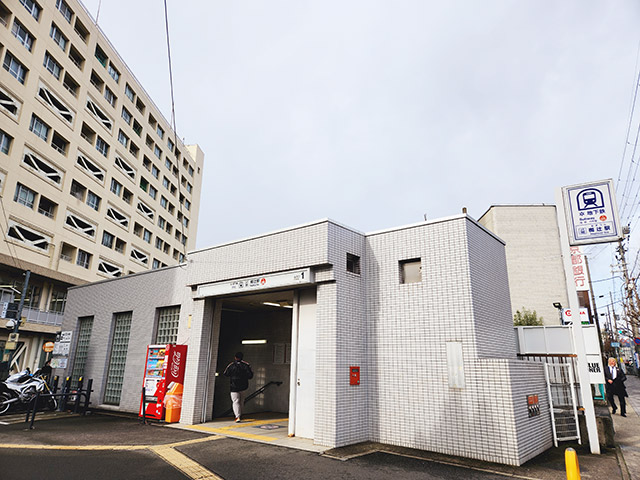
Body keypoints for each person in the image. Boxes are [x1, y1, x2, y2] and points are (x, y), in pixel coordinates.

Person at [223, 352, 253, 423]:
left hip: (233, 386)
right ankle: (240, 414)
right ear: (242, 357)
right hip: (244, 386)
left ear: (235, 357)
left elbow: (225, 374)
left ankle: (237, 416)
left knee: (235, 401)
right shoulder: (246, 365)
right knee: (242, 401)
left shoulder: (231, 365)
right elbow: (250, 375)